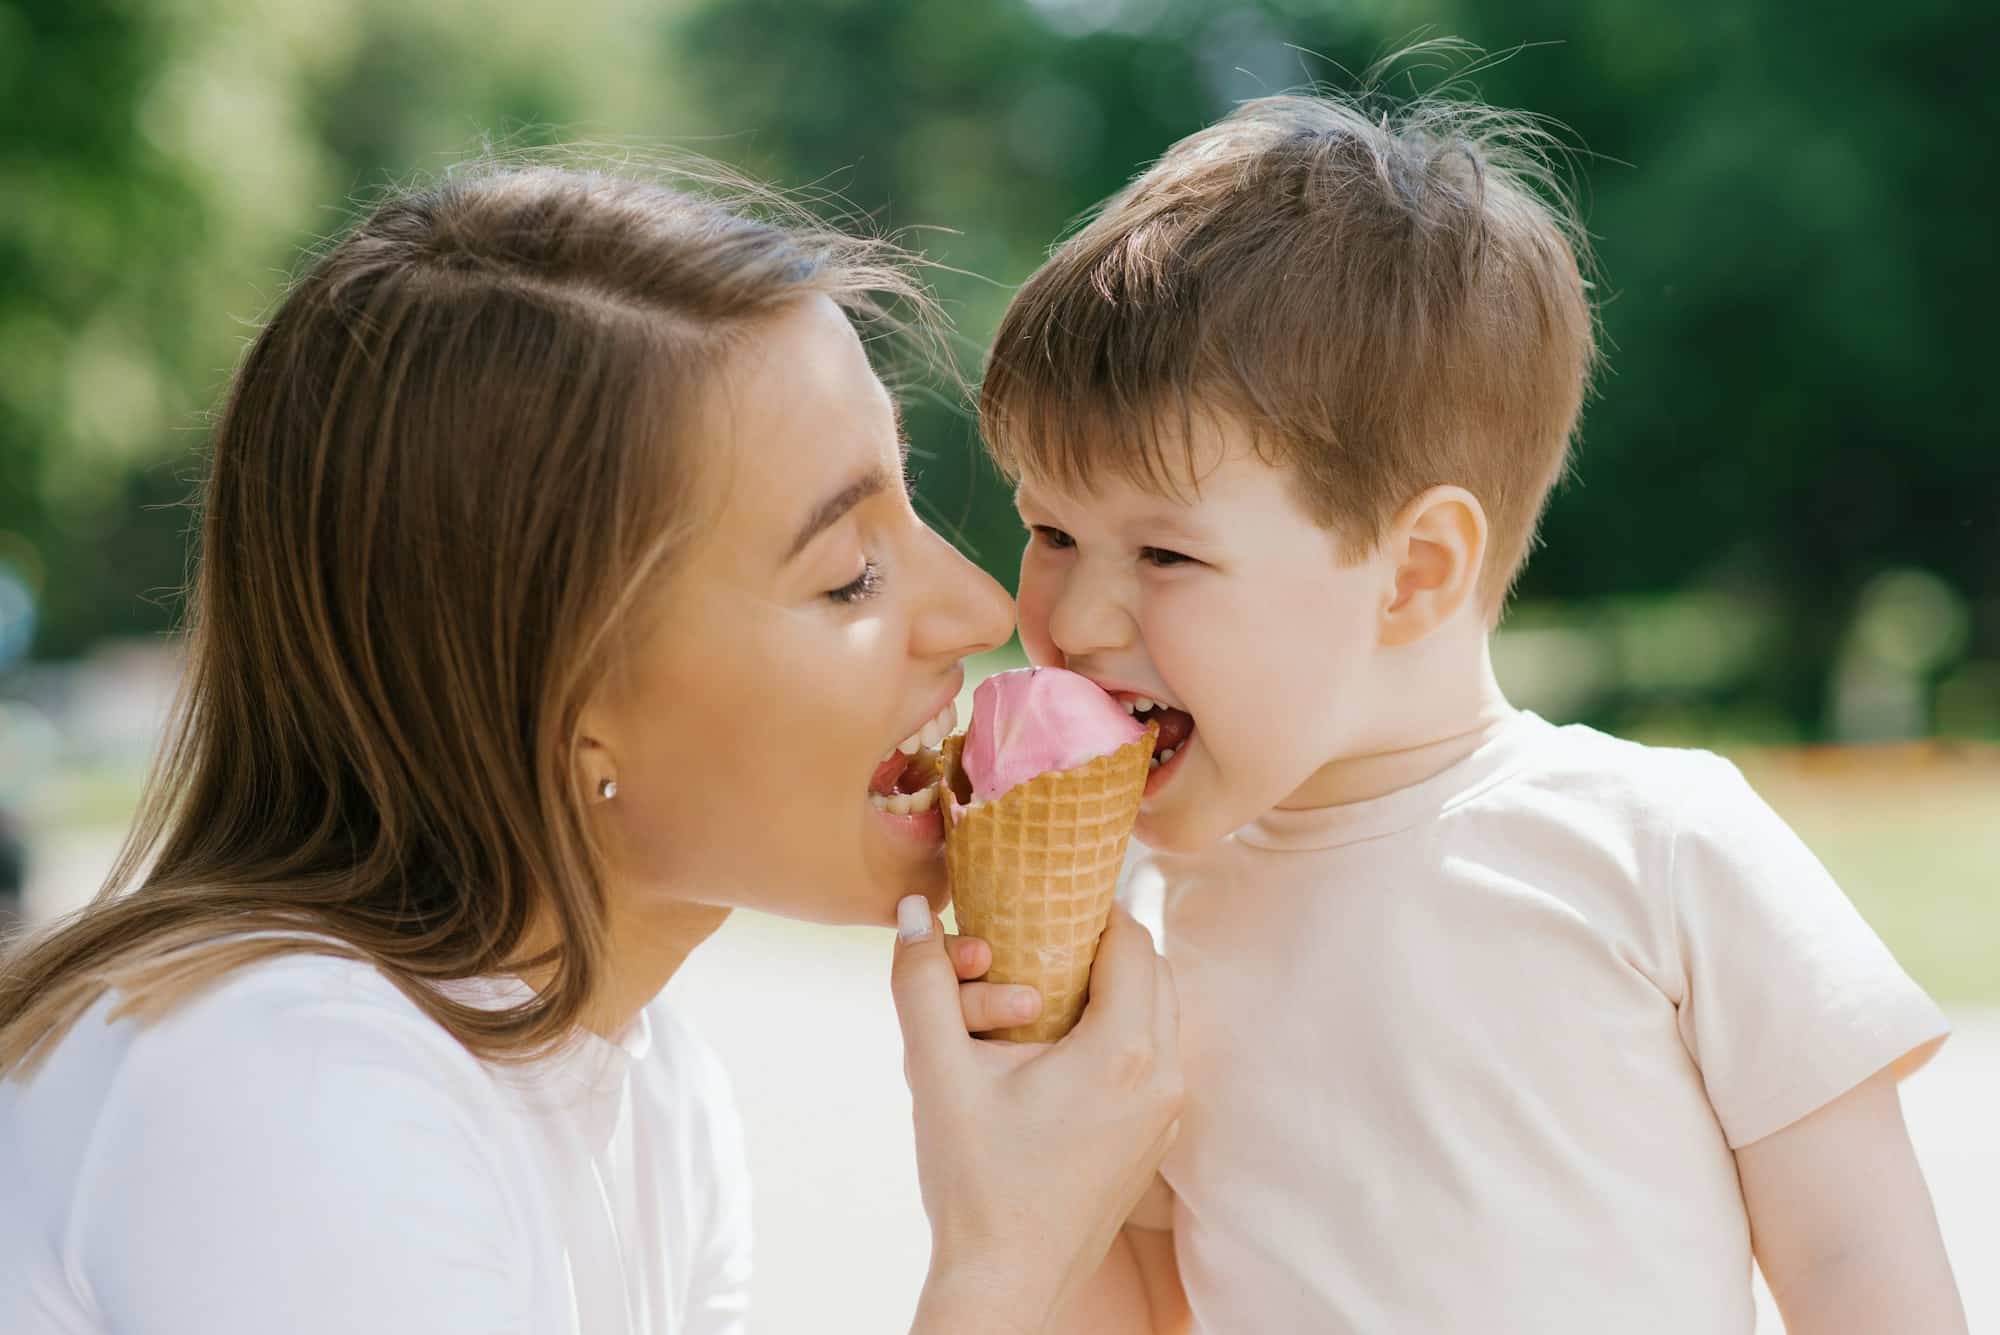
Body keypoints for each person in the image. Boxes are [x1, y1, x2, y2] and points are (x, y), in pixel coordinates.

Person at [0, 159, 1182, 1334]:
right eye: (848, 574)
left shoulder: (648, 1091)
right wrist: (1007, 1264)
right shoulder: (287, 1089)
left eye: (908, 499)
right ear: (563, 708)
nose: (982, 611)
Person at [975, 88, 1966, 1333]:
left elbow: (1855, 1266)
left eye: (1163, 556)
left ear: (1416, 570)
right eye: (1050, 531)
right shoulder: (1145, 938)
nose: (1077, 616)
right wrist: (1012, 1125)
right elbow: (1139, 1305)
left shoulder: (1656, 847)